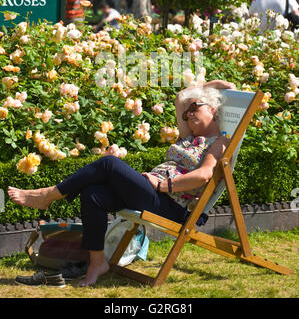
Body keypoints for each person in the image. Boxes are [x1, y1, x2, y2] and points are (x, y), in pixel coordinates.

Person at [8, 79, 235, 287]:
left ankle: (47, 196)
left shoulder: (219, 142)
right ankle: (97, 263)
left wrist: (163, 185)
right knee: (93, 194)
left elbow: (204, 175)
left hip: (171, 204)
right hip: (153, 192)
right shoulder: (189, 136)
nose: (189, 115)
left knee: (109, 164)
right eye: (186, 115)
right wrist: (200, 91)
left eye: (195, 108)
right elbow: (180, 98)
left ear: (213, 109)